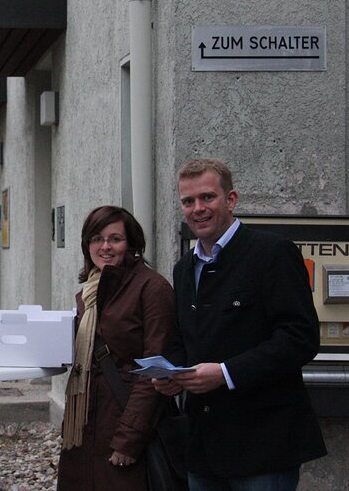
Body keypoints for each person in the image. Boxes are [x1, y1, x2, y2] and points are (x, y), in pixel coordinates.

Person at [153, 158, 326, 491]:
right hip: (204, 444)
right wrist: (171, 373)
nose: (197, 209)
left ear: (230, 199)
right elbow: (187, 337)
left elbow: (300, 337)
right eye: (188, 201)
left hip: (264, 445)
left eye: (207, 197)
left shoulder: (272, 253)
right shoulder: (184, 267)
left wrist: (226, 373)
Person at [56, 206, 176, 490]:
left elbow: (154, 370)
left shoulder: (153, 288)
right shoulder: (90, 291)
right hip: (83, 427)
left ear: (132, 245)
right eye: (97, 238)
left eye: (115, 239)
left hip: (125, 426)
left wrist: (128, 439)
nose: (105, 246)